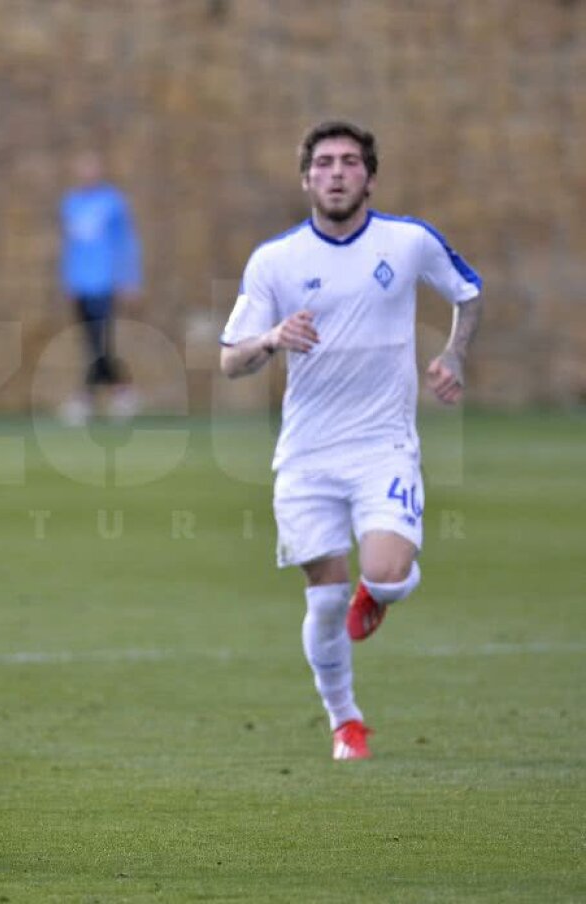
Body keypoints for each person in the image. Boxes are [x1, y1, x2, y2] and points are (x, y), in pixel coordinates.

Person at [218, 121, 482, 760]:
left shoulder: (409, 241)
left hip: (382, 444)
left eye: (351, 162)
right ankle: (346, 722)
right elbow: (230, 360)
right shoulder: (275, 261)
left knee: (387, 575)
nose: (337, 172)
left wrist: (452, 353)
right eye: (326, 163)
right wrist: (272, 339)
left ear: (369, 175)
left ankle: (381, 595)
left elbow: (467, 294)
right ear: (306, 177)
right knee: (327, 595)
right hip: (306, 455)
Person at [58, 150, 142, 424]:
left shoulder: (112, 202)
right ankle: (120, 390)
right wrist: (67, 280)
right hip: (80, 282)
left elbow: (125, 243)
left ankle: (87, 398)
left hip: (104, 281)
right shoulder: (70, 204)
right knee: (91, 342)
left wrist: (129, 280)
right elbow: (69, 247)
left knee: (100, 341)